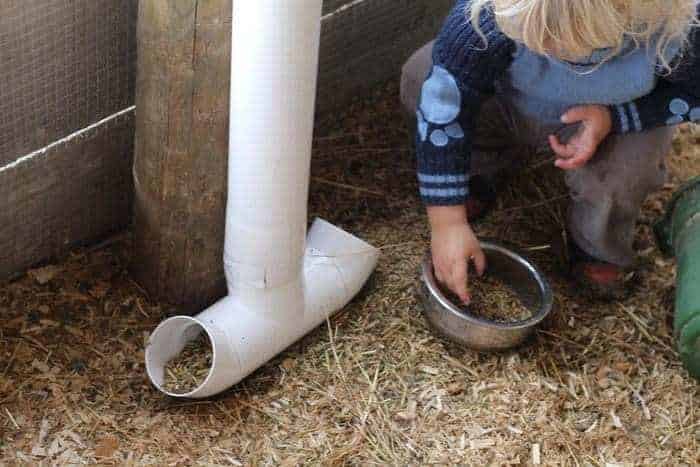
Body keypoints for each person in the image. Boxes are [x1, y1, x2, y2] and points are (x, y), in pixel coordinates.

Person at [401, 0, 700, 302]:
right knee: (422, 77)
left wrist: (619, 118)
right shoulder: (486, 15)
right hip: (509, 102)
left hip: (605, 121)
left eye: (575, 48)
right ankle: (477, 173)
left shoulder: (675, 29)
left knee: (630, 167)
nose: (548, 52)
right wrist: (447, 222)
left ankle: (597, 243)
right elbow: (447, 98)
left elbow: (693, 93)